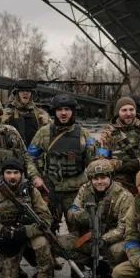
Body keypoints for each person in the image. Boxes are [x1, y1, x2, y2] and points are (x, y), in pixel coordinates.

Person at [0, 157, 55, 278]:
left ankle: (44, 275)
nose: (12, 176)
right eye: (8, 173)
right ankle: (13, 266)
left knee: (41, 241)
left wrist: (26, 230)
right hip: (8, 238)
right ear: (2, 174)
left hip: (29, 234)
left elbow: (46, 218)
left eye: (16, 172)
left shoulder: (31, 191)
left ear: (21, 174)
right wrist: (2, 229)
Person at [27, 94, 96, 232]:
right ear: (55, 112)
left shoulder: (84, 134)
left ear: (72, 111)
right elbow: (28, 157)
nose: (63, 113)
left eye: (67, 109)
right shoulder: (44, 133)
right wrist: (35, 177)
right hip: (51, 191)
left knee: (81, 232)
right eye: (59, 110)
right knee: (47, 231)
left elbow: (93, 163)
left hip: (77, 192)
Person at [62, 159, 132, 278]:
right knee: (60, 244)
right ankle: (96, 266)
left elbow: (123, 229)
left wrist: (104, 240)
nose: (99, 182)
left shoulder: (123, 196)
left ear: (111, 177)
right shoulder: (85, 189)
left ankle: (116, 273)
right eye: (95, 178)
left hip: (111, 240)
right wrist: (81, 215)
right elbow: (72, 211)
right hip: (88, 237)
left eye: (103, 178)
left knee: (119, 251)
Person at [98, 96, 140, 193]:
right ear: (118, 112)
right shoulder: (108, 133)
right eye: (124, 110)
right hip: (119, 182)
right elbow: (101, 160)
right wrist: (122, 165)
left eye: (131, 109)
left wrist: (139, 162)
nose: (128, 113)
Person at [4, 79, 50, 146]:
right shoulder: (8, 112)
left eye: (28, 91)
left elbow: (51, 130)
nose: (25, 93)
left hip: (34, 153)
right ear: (17, 93)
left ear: (31, 94)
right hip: (14, 153)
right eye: (22, 91)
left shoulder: (40, 113)